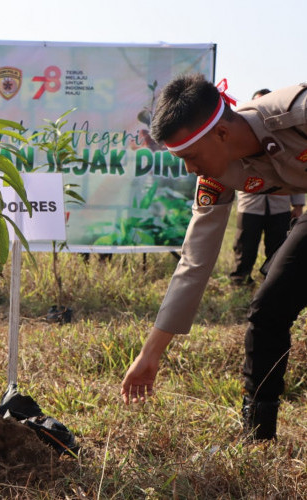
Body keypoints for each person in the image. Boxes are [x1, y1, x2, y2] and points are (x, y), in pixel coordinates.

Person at [120, 74, 307, 441]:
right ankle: (257, 437)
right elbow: (194, 260)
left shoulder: (297, 114)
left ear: (221, 133)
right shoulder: (217, 173)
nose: (190, 169)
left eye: (190, 157)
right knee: (269, 305)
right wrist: (150, 355)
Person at [229, 89, 304, 285]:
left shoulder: (282, 133)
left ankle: (271, 282)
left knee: (277, 246)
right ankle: (240, 279)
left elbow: (295, 169)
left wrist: (298, 204)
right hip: (250, 205)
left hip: (279, 205)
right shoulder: (240, 135)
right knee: (245, 246)